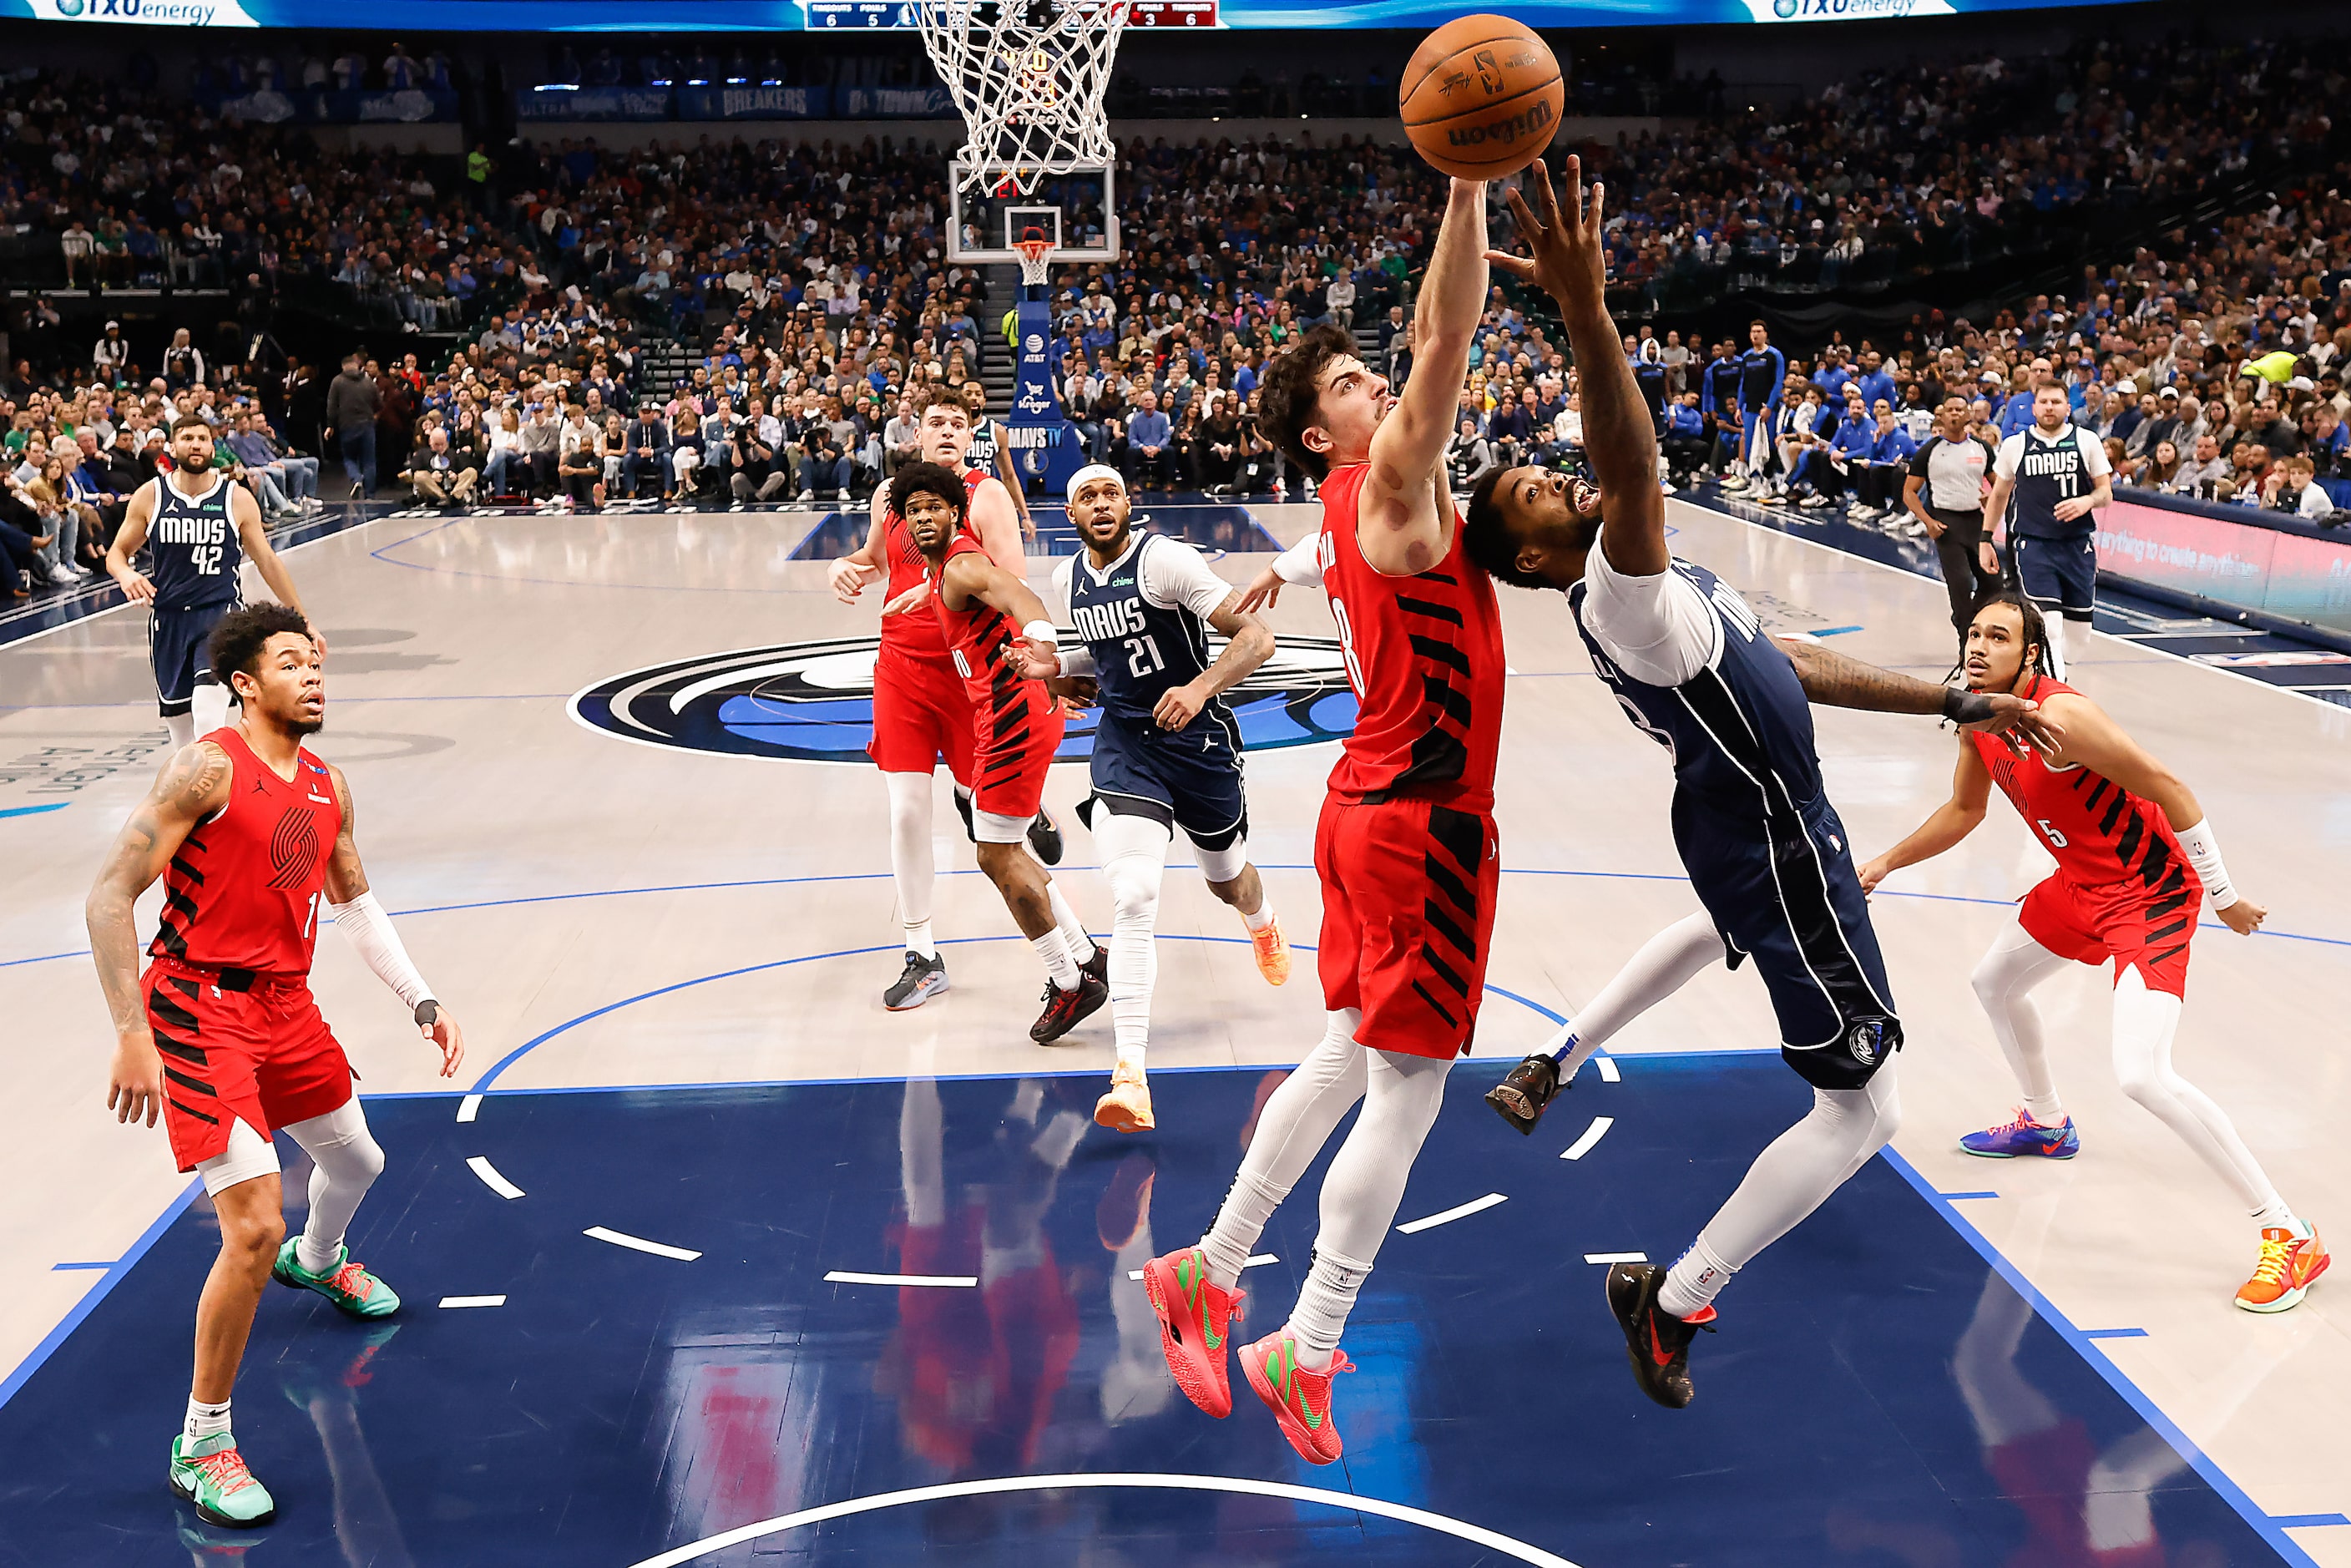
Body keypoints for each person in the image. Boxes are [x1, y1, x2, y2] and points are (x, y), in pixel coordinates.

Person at [1458, 158, 2053, 1410]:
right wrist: (1584, 305)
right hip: (1779, 847)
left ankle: (1608, 1152)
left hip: (1755, 829)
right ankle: (1671, 1302)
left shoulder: (1665, 596)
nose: (1550, 474)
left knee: (1857, 1093)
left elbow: (1789, 665)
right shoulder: (1621, 589)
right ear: (1530, 547)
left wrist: (1945, 694)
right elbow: (1631, 463)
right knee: (1868, 1111)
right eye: (1530, 491)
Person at [1139, 173, 1508, 1469]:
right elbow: (1449, 334)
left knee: (1352, 1048)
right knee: (1412, 1085)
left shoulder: (1345, 511)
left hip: (1365, 806)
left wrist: (1275, 567)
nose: (1379, 387)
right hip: (1427, 824)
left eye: (1371, 374)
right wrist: (1469, 186)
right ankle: (1307, 1337)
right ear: (1326, 432)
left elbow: (1309, 554)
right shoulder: (1394, 479)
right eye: (1355, 381)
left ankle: (1208, 1264)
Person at [85, 604, 467, 1529]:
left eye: (315, 661)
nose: (313, 675)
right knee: (250, 1226)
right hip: (194, 1004)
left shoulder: (329, 786)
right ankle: (202, 1438)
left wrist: (421, 998)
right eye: (290, 664)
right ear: (246, 684)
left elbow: (357, 906)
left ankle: (321, 1259)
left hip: (284, 1004)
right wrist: (132, 1030)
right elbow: (108, 897)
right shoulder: (207, 766)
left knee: (358, 1164)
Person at [1860, 594, 2325, 1313]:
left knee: (2141, 1074)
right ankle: (2045, 1123)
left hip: (2150, 893)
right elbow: (1964, 810)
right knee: (1994, 982)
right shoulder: (1977, 717)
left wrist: (2225, 894)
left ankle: (2287, 1233)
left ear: (2032, 655)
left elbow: (2170, 786)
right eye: (1974, 633)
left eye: (1999, 636)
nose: (1979, 646)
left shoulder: (2065, 718)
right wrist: (1886, 862)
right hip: (2080, 885)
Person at [1023, 464, 1290, 1134]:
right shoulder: (1066, 580)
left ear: (1128, 503)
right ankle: (1130, 1077)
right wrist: (1057, 675)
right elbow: (1105, 655)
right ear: (1071, 514)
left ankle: (1262, 923)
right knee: (1135, 895)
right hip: (1125, 750)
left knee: (1228, 882)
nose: (1101, 503)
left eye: (1111, 491)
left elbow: (1258, 637)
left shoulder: (1165, 561)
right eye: (1087, 495)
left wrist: (1199, 688)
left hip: (1198, 747)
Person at [827, 388, 1065, 1009]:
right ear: (916, 431)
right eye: (937, 422)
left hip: (970, 673)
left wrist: (1034, 670)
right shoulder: (890, 496)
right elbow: (877, 560)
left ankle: (1033, 822)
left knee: (986, 817)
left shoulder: (986, 496)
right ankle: (921, 953)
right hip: (901, 669)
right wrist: (843, 566)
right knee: (906, 810)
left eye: (960, 423)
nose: (948, 431)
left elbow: (1011, 586)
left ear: (973, 433)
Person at [894, 461, 1107, 1042]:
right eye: (914, 511)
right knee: (1002, 851)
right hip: (1006, 714)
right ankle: (1087, 956)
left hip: (1013, 719)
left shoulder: (963, 564)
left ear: (954, 514)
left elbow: (1021, 597)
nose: (924, 517)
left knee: (995, 855)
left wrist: (1044, 654)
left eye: (934, 507)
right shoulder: (941, 574)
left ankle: (1070, 984)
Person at [105, 416, 316, 753]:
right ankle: (200, 799)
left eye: (203, 438)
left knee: (207, 717)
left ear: (213, 446)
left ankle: (222, 798)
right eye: (187, 438)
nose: (196, 444)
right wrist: (127, 574)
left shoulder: (236, 498)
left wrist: (301, 620)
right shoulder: (151, 495)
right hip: (169, 619)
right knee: (183, 740)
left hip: (221, 617)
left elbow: (267, 561)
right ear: (172, 447)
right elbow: (116, 553)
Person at [1982, 382, 2112, 679]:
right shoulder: (2016, 445)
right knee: (2049, 627)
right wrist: (1985, 538)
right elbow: (1999, 495)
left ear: (2068, 407)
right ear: (2034, 407)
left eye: (2056, 402)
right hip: (2034, 546)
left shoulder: (2086, 440)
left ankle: (2055, 673)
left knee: (2078, 640)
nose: (2049, 407)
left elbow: (2106, 493)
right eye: (2044, 402)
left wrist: (2086, 501)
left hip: (2077, 547)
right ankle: (2055, 691)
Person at [1904, 397, 2002, 648]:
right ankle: (1965, 645)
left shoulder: (1981, 448)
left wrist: (1991, 496)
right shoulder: (1930, 450)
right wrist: (1927, 521)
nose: (1955, 414)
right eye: (1950, 410)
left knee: (1993, 584)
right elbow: (1909, 492)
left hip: (1977, 522)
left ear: (1968, 413)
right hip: (1946, 524)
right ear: (1942, 416)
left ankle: (1966, 620)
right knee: (1961, 585)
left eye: (1960, 409)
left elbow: (1999, 485)